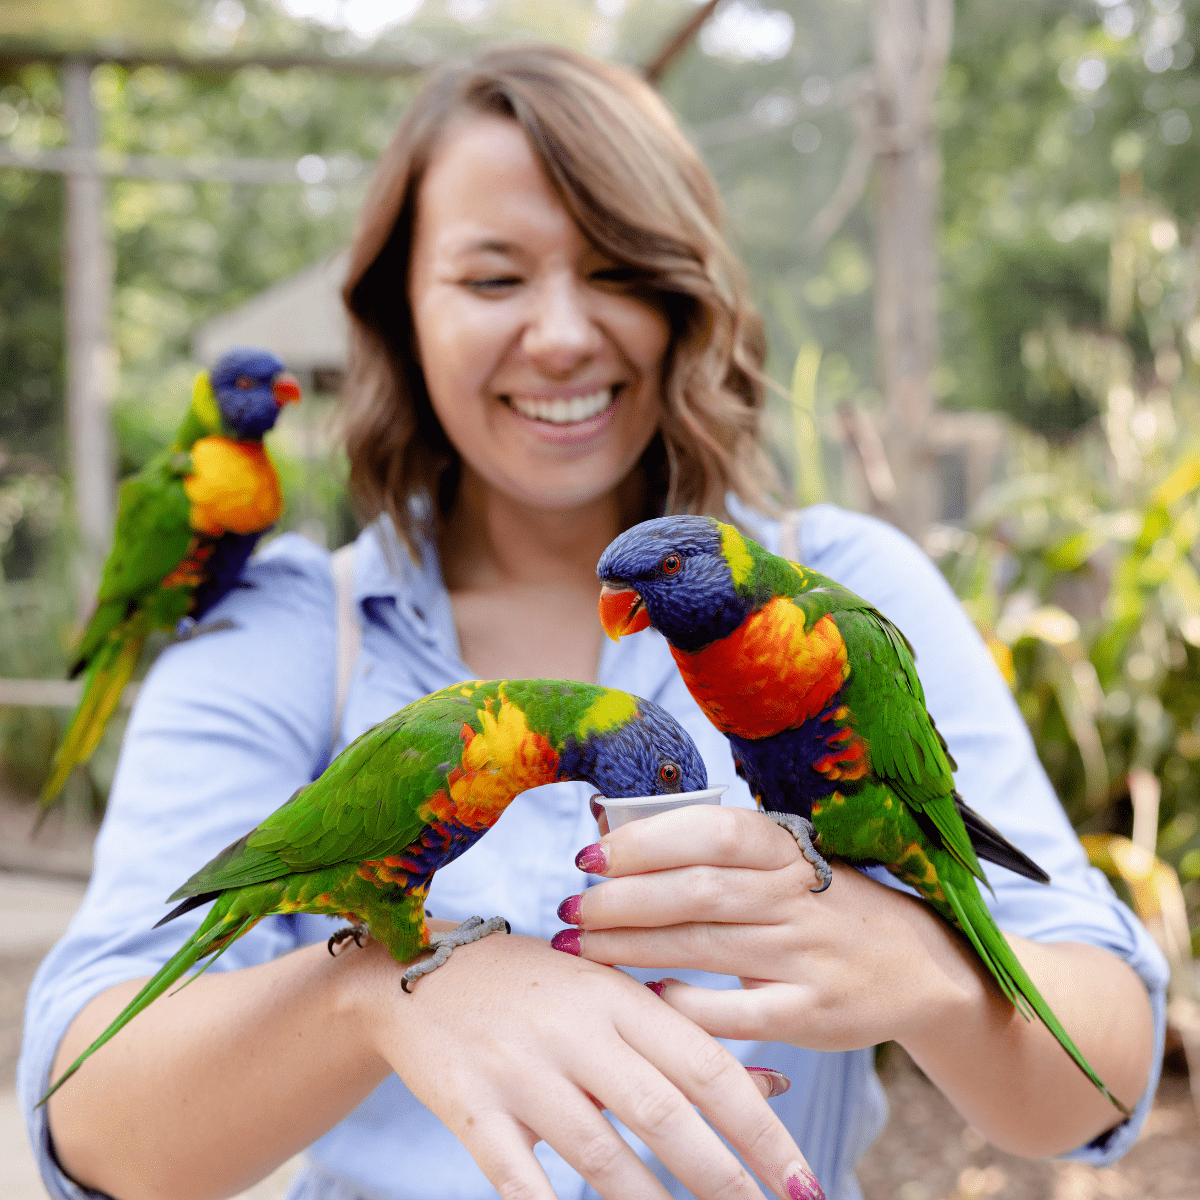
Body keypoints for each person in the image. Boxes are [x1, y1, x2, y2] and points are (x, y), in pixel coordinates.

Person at [20, 43, 1166, 1200]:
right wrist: (374, 986)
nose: (562, 333)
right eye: (493, 278)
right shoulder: (284, 636)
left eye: (614, 269)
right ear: (397, 312)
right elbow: (86, 1120)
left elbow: (1103, 1081)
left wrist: (926, 970)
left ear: (685, 297)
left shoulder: (848, 593)